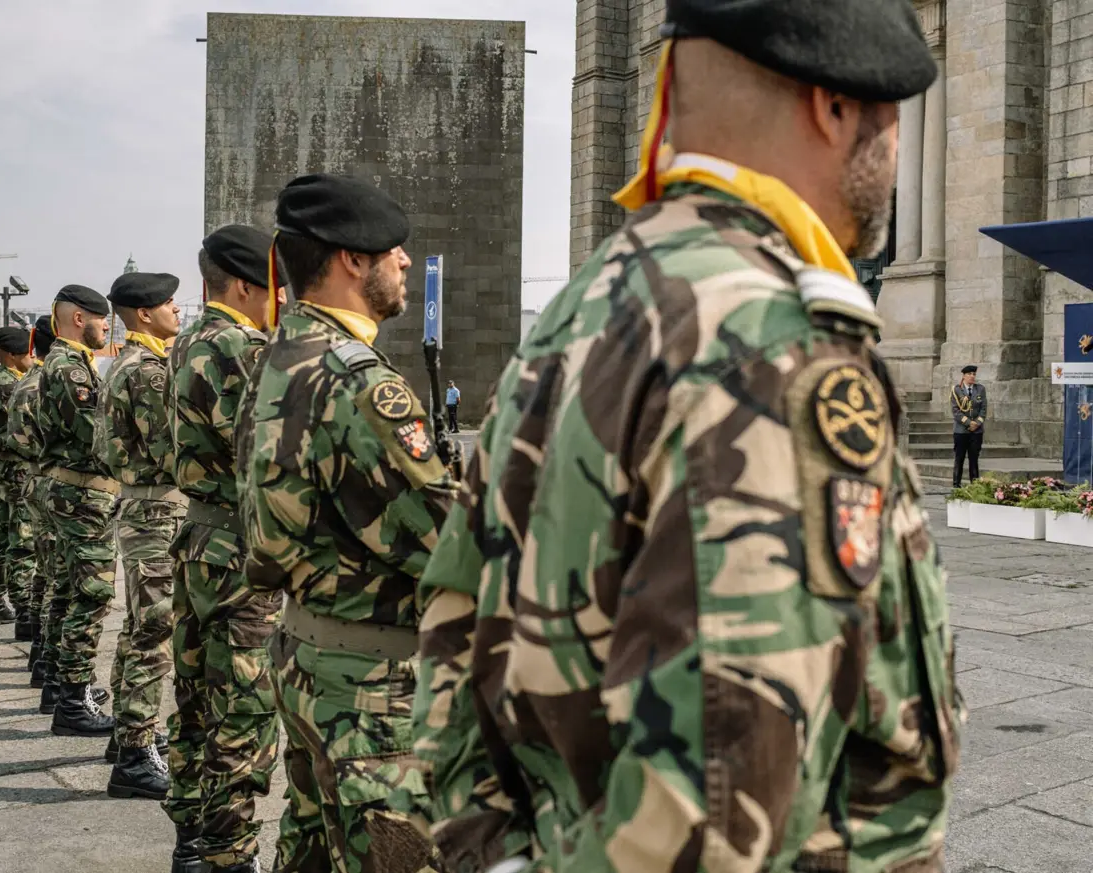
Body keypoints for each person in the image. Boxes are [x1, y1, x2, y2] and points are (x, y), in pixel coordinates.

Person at [412, 2, 964, 872]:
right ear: (835, 109)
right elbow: (717, 793)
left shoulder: (583, 307)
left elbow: (452, 623)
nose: (894, 160)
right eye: (890, 124)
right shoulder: (773, 345)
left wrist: (496, 855)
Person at [237, 174, 457, 873]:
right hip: (371, 687)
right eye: (393, 250)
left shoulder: (278, 356)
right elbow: (451, 542)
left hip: (306, 652)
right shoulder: (360, 381)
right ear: (350, 259)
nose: (403, 262)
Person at [164, 225, 284, 873]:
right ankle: (228, 853)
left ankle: (190, 837)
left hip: (197, 536)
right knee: (242, 703)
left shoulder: (183, 343)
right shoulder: (244, 347)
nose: (278, 299)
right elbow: (263, 453)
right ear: (243, 284)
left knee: (194, 695)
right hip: (240, 544)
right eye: (271, 287)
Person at [94, 271, 184, 801]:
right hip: (157, 511)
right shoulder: (149, 372)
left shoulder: (123, 362)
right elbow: (168, 449)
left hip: (140, 508)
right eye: (170, 304)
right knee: (155, 633)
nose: (177, 309)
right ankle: (134, 755)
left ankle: (129, 733)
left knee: (138, 627)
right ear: (145, 314)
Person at [37, 285, 119, 736]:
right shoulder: (69, 368)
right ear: (78, 319)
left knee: (70, 591)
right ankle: (73, 699)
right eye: (101, 321)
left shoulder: (70, 363)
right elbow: (96, 438)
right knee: (91, 595)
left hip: (75, 492)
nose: (106, 328)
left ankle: (63, 684)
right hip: (83, 494)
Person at [7, 316, 60, 690]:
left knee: (46, 572)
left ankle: (42, 654)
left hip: (38, 481)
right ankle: (51, 664)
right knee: (59, 579)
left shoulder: (29, 382)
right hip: (57, 486)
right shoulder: (46, 383)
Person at [0, 327, 36, 635]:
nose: (32, 359)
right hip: (20, 469)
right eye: (28, 354)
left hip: (3, 469)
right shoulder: (15, 385)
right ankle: (25, 608)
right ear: (12, 356)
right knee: (23, 540)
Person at [952, 364, 986, 487]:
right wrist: (968, 422)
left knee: (974, 459)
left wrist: (976, 424)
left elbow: (983, 409)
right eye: (969, 374)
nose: (972, 376)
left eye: (974, 374)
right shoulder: (957, 390)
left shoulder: (980, 389)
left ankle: (975, 485)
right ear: (964, 376)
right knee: (959, 458)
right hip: (961, 431)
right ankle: (956, 485)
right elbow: (956, 411)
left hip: (976, 431)